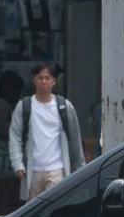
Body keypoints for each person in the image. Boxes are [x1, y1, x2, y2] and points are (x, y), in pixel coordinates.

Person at [8, 63, 85, 202]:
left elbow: (75, 139)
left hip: (57, 170)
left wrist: (80, 167)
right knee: (33, 210)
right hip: (33, 170)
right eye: (40, 78)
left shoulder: (64, 106)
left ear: (54, 81)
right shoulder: (24, 106)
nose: (43, 81)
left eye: (47, 78)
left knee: (55, 207)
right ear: (34, 80)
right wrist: (17, 164)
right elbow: (15, 136)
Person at [0, 71, 23, 213]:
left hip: (3, 162)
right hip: (4, 161)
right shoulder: (2, 105)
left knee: (8, 194)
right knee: (7, 194)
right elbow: (1, 130)